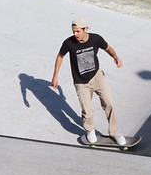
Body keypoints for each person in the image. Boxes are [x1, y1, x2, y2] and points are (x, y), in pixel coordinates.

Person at [51, 17, 127, 145]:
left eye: (78, 31)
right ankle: (90, 130)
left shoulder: (96, 39)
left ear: (86, 29)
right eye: (73, 31)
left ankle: (115, 132)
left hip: (97, 77)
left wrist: (116, 57)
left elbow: (108, 48)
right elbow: (60, 56)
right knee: (87, 110)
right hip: (81, 82)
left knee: (109, 104)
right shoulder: (68, 43)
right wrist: (55, 76)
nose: (75, 34)